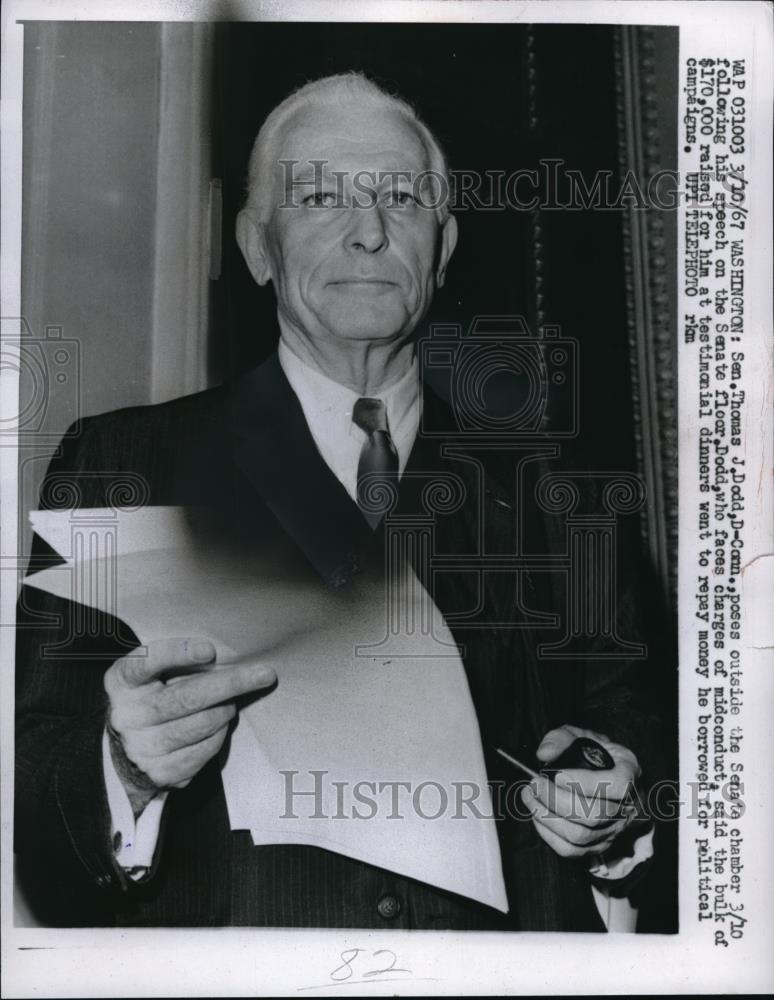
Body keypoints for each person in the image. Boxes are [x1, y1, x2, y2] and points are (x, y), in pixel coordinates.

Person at [15, 72, 665, 930]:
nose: (369, 233)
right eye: (321, 196)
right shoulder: (122, 462)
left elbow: (641, 723)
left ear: (444, 244)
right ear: (256, 246)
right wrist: (125, 767)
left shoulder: (560, 487)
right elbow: (31, 786)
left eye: (402, 197)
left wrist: (615, 786)